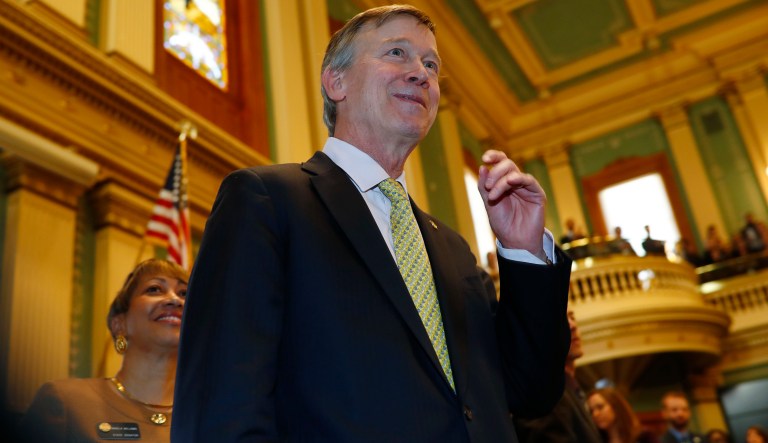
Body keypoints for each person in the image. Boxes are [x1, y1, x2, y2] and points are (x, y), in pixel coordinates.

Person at [171, 5, 571, 442]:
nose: (421, 73)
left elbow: (528, 392)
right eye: (397, 53)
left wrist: (523, 251)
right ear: (335, 81)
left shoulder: (453, 249)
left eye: (431, 64)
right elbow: (224, 404)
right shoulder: (268, 201)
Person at [18, 258, 188, 443]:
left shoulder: (212, 418)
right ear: (119, 324)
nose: (175, 300)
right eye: (154, 289)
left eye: (184, 293)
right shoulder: (66, 402)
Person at [514, 310, 602, 443]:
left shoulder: (570, 389)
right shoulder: (544, 390)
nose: (572, 325)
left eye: (572, 317)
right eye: (561, 319)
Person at [587, 388, 658, 443]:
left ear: (616, 406)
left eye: (600, 407)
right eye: (591, 411)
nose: (595, 414)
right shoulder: (596, 441)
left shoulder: (644, 437)